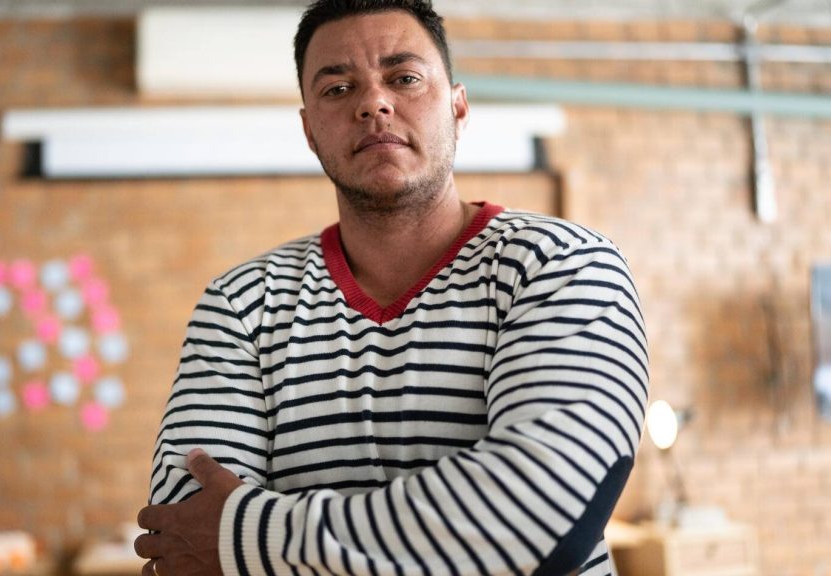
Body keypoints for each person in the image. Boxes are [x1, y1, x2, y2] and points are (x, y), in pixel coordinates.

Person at [135, 0, 648, 574]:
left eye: (404, 78)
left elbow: (542, 520)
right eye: (336, 89)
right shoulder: (242, 305)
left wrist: (248, 538)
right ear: (308, 130)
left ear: (457, 107)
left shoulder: (565, 265)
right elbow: (183, 538)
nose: (373, 102)